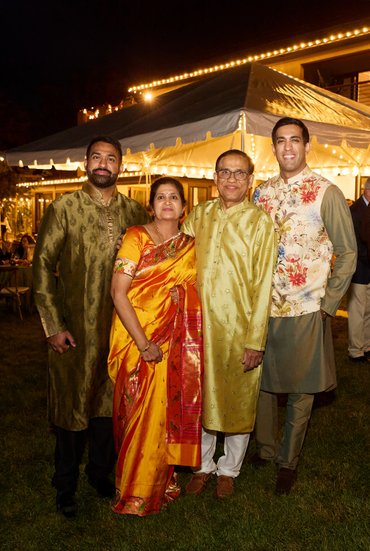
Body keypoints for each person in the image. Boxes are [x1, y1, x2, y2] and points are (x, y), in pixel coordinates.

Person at [32, 136, 150, 518]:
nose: (103, 164)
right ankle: (64, 484)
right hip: (75, 329)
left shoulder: (135, 211)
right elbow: (43, 268)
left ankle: (101, 473)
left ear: (120, 166)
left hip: (120, 328)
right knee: (72, 407)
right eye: (96, 157)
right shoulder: (64, 208)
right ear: (86, 162)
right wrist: (53, 325)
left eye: (110, 158)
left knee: (108, 406)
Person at [252, 117, 357, 495]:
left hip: (308, 305)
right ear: (274, 147)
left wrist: (328, 304)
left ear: (307, 146)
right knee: (262, 382)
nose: (288, 148)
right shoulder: (261, 194)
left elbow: (347, 252)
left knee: (302, 388)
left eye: (295, 140)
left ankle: (287, 460)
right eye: (280, 141)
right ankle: (263, 448)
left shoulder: (326, 192)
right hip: (264, 307)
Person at [182, 149, 277, 499]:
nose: (232, 179)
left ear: (250, 179)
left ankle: (229, 469)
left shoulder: (260, 222)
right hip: (200, 327)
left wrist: (256, 341)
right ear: (215, 177)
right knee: (203, 395)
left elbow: (265, 282)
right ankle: (203, 465)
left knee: (237, 397)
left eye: (240, 173)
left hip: (240, 327)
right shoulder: (200, 215)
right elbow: (177, 258)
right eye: (225, 171)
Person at [108, 177, 203, 516]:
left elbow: (196, 292)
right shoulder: (136, 237)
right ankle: (134, 491)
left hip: (175, 339)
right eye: (160, 197)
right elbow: (119, 292)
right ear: (151, 205)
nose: (167, 202)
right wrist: (144, 342)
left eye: (174, 197)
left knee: (165, 412)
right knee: (135, 412)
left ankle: (162, 482)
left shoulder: (190, 245)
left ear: (183, 206)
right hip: (136, 339)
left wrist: (183, 297)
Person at [347, 177, 370, 363]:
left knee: (368, 310)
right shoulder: (354, 211)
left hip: (368, 267)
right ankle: (355, 350)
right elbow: (353, 244)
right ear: (367, 191)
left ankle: (367, 346)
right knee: (357, 311)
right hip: (359, 269)